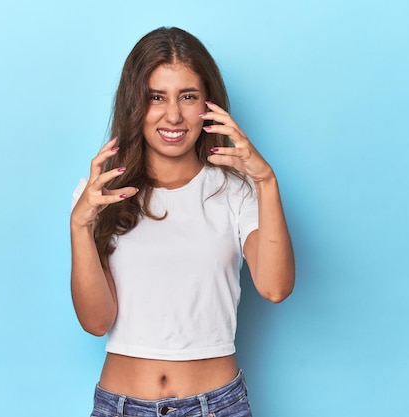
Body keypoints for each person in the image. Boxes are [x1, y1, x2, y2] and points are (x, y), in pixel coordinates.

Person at [70, 26, 295, 417]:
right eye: (156, 97)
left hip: (215, 405)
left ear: (208, 104)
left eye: (187, 97)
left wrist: (265, 180)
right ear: (134, 104)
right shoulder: (100, 192)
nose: (173, 115)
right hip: (120, 405)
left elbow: (275, 287)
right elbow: (96, 321)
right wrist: (79, 226)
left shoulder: (236, 190)